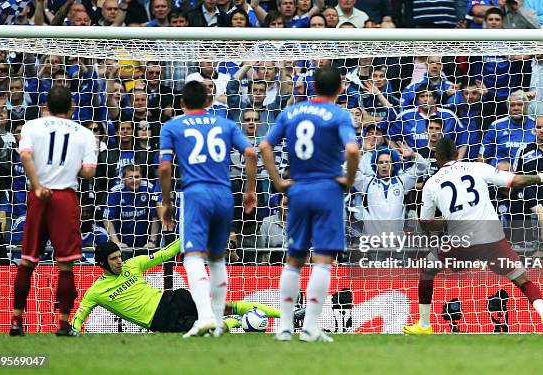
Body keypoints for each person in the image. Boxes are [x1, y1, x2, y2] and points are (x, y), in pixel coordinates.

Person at [403, 138, 543, 335]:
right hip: (492, 237)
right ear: (457, 154)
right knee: (522, 280)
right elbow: (515, 180)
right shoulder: (477, 167)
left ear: (436, 157)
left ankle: (424, 325)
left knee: (428, 268)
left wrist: (446, 221)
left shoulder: (431, 183)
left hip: (461, 240)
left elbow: (425, 224)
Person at [259, 65, 360, 342]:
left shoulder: (291, 112)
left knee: (294, 259)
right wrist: (348, 180)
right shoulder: (339, 114)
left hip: (298, 189)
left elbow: (265, 146)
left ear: (312, 87)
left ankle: (284, 327)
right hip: (327, 189)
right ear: (340, 88)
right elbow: (352, 150)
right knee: (324, 259)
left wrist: (279, 182)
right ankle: (311, 327)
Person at [159, 81, 258, 337]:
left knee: (192, 256)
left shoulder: (172, 126)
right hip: (224, 195)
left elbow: (165, 168)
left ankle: (204, 317)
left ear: (182, 103)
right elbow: (250, 152)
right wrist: (249, 190)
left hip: (196, 194)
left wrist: (167, 203)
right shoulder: (225, 124)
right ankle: (217, 320)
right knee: (216, 258)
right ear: (207, 103)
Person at [10, 86, 97, 337]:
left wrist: (37, 185)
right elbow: (89, 172)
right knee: (66, 265)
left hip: (38, 194)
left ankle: (16, 320)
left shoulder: (31, 126)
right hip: (65, 198)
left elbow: (25, 156)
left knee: (27, 260)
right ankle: (63, 323)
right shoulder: (84, 133)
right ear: (71, 107)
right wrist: (71, 169)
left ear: (46, 106)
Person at [71, 240, 283, 333]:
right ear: (101, 264)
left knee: (223, 306)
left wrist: (189, 236)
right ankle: (240, 323)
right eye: (114, 259)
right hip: (160, 320)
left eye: (119, 256)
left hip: (170, 298)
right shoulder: (96, 291)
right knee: (209, 330)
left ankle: (284, 315)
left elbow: (164, 254)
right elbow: (80, 314)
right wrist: (73, 330)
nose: (119, 261)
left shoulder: (132, 264)